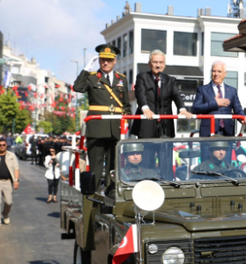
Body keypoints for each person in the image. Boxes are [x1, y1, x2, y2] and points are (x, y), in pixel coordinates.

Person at [73, 44, 131, 191]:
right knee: (96, 168)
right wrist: (87, 68)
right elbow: (78, 87)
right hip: (97, 130)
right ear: (99, 60)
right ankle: (94, 199)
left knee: (113, 168)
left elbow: (126, 106)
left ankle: (111, 197)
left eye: (109, 60)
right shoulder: (92, 78)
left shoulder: (122, 80)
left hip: (115, 129)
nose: (106, 63)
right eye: (103, 59)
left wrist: (127, 124)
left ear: (115, 61)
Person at [131, 50, 192, 139]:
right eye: (155, 62)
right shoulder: (142, 77)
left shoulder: (171, 80)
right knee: (147, 152)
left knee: (166, 152)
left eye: (161, 62)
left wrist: (182, 109)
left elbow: (177, 95)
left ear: (164, 65)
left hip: (165, 125)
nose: (158, 65)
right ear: (149, 64)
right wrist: (146, 109)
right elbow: (140, 94)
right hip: (147, 123)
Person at [192, 61, 246, 137]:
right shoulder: (202, 90)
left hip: (227, 132)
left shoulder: (232, 91)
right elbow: (195, 109)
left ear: (225, 73)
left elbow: (238, 109)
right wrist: (214, 103)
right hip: (208, 133)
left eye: (219, 71)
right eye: (214, 71)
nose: (216, 74)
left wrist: (243, 117)